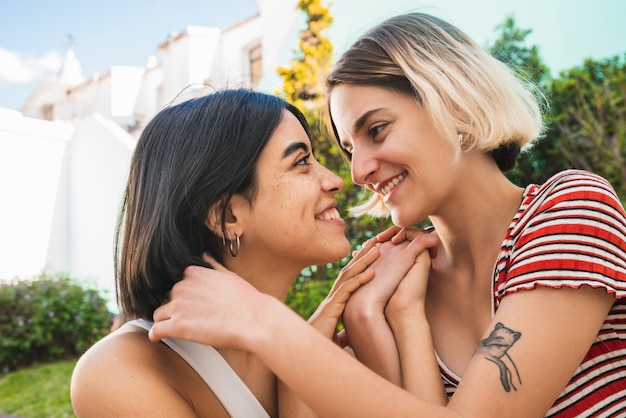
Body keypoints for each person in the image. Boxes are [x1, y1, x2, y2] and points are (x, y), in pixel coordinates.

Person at [148, 12, 626, 417]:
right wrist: (393, 317)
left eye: (377, 129)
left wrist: (264, 322)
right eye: (350, 148)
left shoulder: (570, 209)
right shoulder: (394, 285)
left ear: (453, 101)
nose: (357, 171)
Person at [70, 88, 432, 417]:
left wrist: (381, 314)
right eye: (300, 162)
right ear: (227, 216)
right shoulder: (121, 370)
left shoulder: (324, 354)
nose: (336, 179)